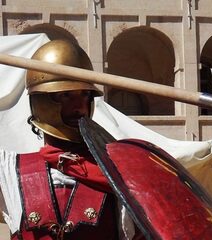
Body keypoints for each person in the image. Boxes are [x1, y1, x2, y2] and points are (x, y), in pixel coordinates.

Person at [0, 39, 138, 239]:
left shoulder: (118, 175)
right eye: (65, 95)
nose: (80, 107)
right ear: (40, 100)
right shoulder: (9, 170)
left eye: (84, 95)